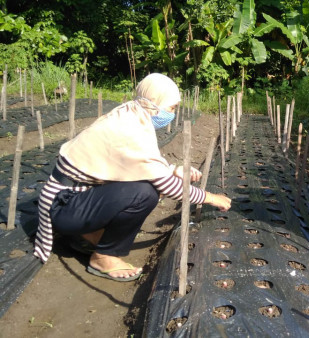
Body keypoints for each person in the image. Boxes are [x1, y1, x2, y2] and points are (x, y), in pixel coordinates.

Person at [33, 73, 231, 282]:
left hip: (72, 199)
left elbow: (137, 161)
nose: (173, 113)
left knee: (145, 185)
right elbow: (168, 186)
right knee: (145, 193)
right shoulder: (131, 128)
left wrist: (172, 169)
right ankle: (104, 257)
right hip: (64, 206)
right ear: (154, 104)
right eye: (172, 107)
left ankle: (88, 235)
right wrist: (210, 197)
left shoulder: (130, 113)